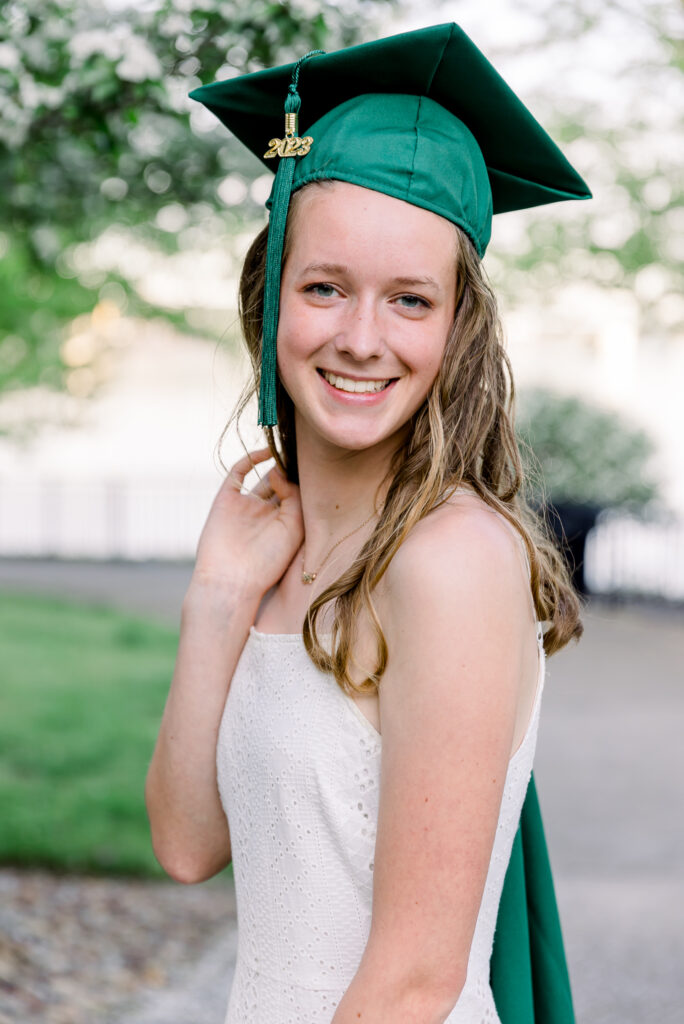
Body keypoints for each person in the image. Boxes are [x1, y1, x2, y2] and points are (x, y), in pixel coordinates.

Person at [145, 23, 591, 1024]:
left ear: (457, 327)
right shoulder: (279, 551)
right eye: (324, 287)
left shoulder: (453, 560)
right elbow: (185, 844)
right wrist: (217, 594)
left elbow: (414, 981)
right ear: (271, 303)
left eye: (410, 300)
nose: (360, 338)